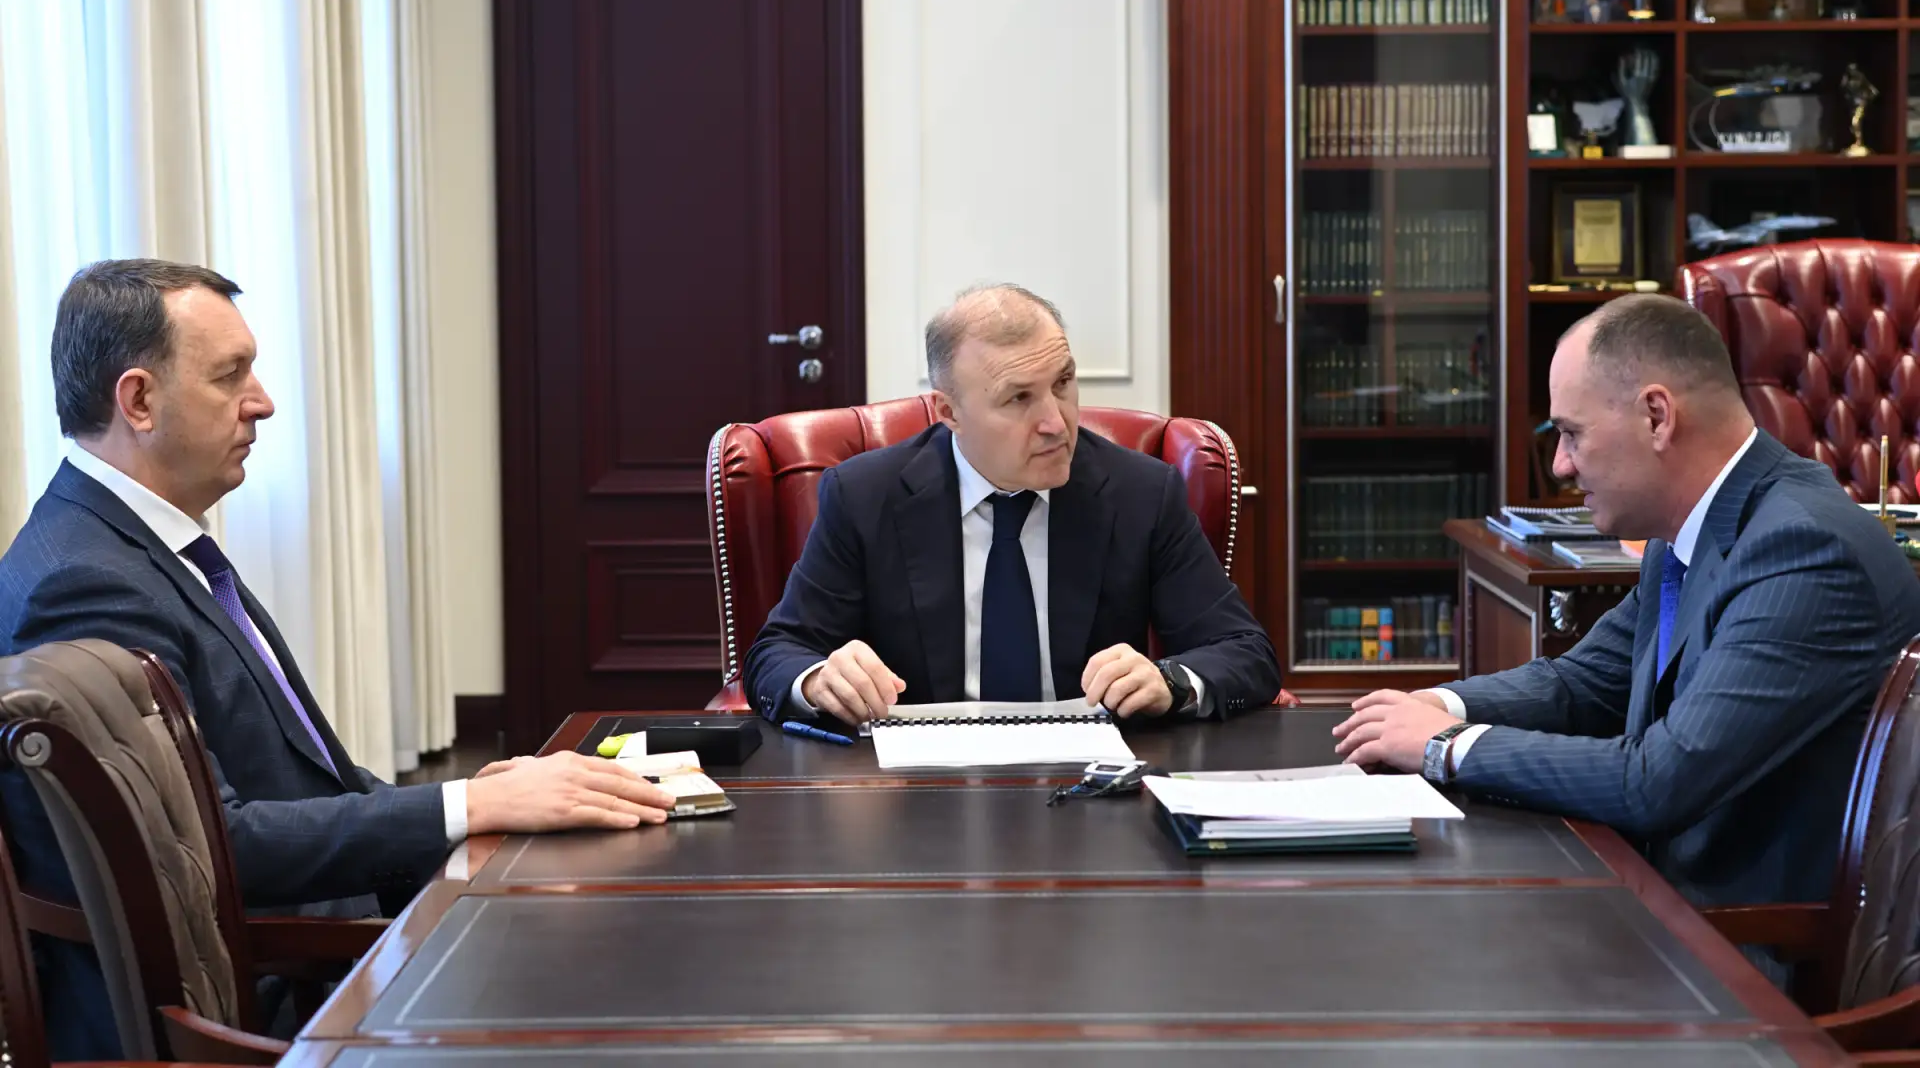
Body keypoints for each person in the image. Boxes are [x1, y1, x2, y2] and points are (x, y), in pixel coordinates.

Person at [0, 260, 675, 1058]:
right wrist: (466, 807)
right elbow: (211, 850)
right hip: (275, 991)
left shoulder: (131, 542)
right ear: (139, 400)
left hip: (318, 941)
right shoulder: (83, 581)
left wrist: (483, 796)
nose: (263, 401)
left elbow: (294, 778)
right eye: (230, 375)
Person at [1333, 293, 1920, 919]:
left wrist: (1447, 746)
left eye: (1572, 434)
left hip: (1745, 947)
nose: (1559, 465)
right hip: (1664, 905)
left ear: (1657, 416)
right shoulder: (1687, 532)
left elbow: (1659, 780)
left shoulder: (1804, 549)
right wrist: (1437, 706)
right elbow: (1584, 683)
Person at [743, 284, 1280, 725]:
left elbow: (1244, 651)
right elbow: (778, 652)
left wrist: (1170, 682)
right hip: (918, 787)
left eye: (1063, 383)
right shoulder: (865, 496)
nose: (1055, 423)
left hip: (1089, 785)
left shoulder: (1141, 493)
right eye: (1019, 398)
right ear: (949, 412)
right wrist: (818, 680)